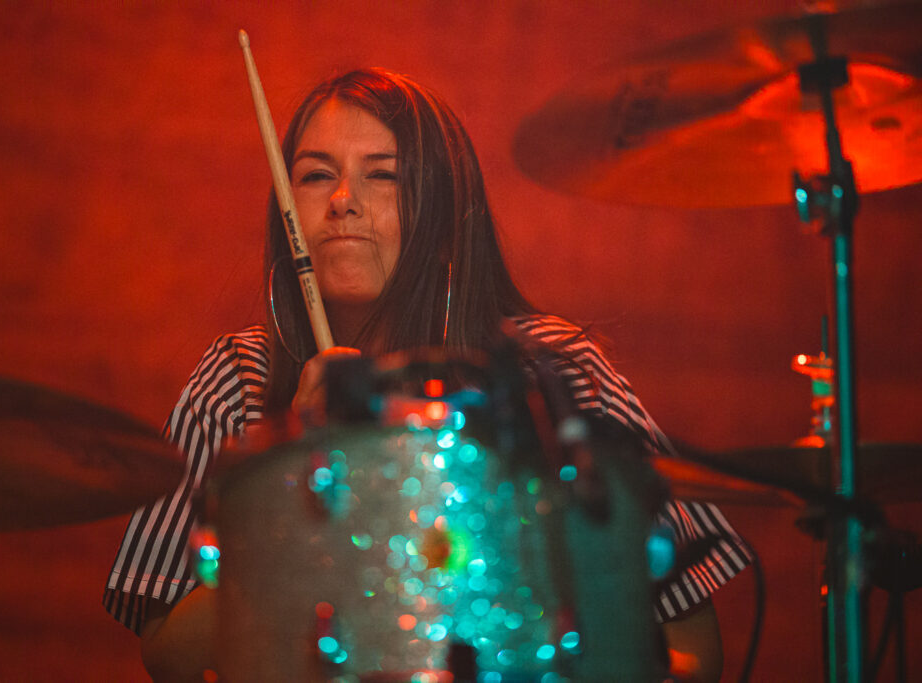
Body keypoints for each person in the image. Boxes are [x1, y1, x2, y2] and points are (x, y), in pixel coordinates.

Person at [104, 68, 751, 682]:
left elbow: (694, 647)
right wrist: (299, 475)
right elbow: (169, 656)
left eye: (383, 175)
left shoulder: (556, 368)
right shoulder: (235, 379)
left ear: (444, 218)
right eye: (315, 175)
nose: (342, 201)